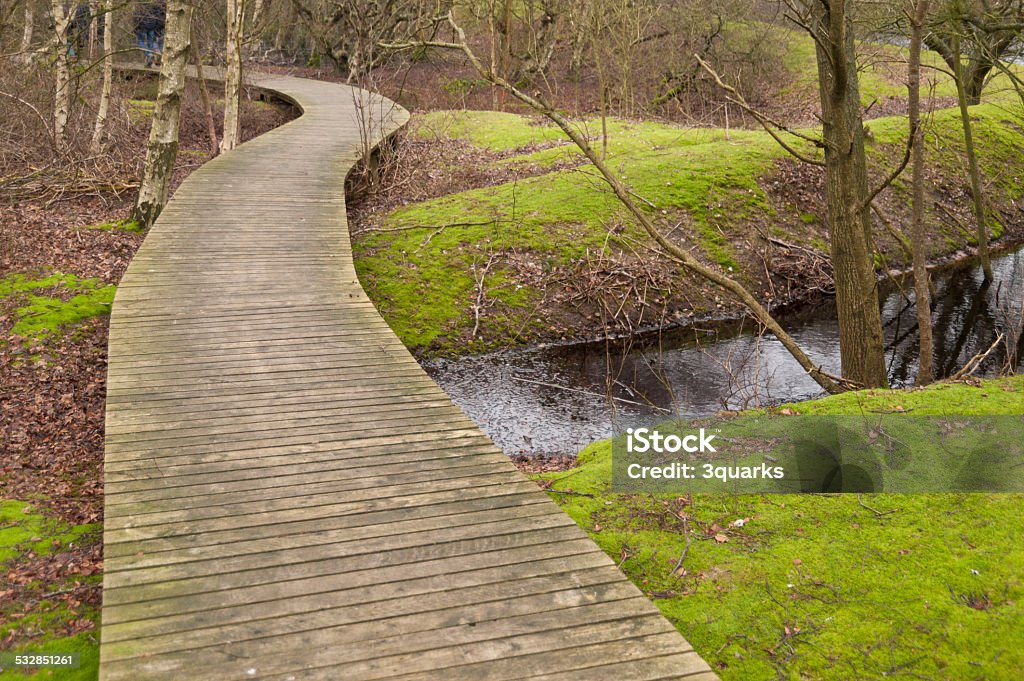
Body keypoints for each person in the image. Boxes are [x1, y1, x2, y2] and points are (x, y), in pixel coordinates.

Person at [134, 0, 166, 67]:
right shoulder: (153, 4)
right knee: (151, 42)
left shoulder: (139, 5)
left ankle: (149, 55)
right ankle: (153, 57)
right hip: (153, 25)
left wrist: (135, 26)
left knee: (140, 41)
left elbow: (136, 16)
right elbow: (156, 15)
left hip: (142, 26)